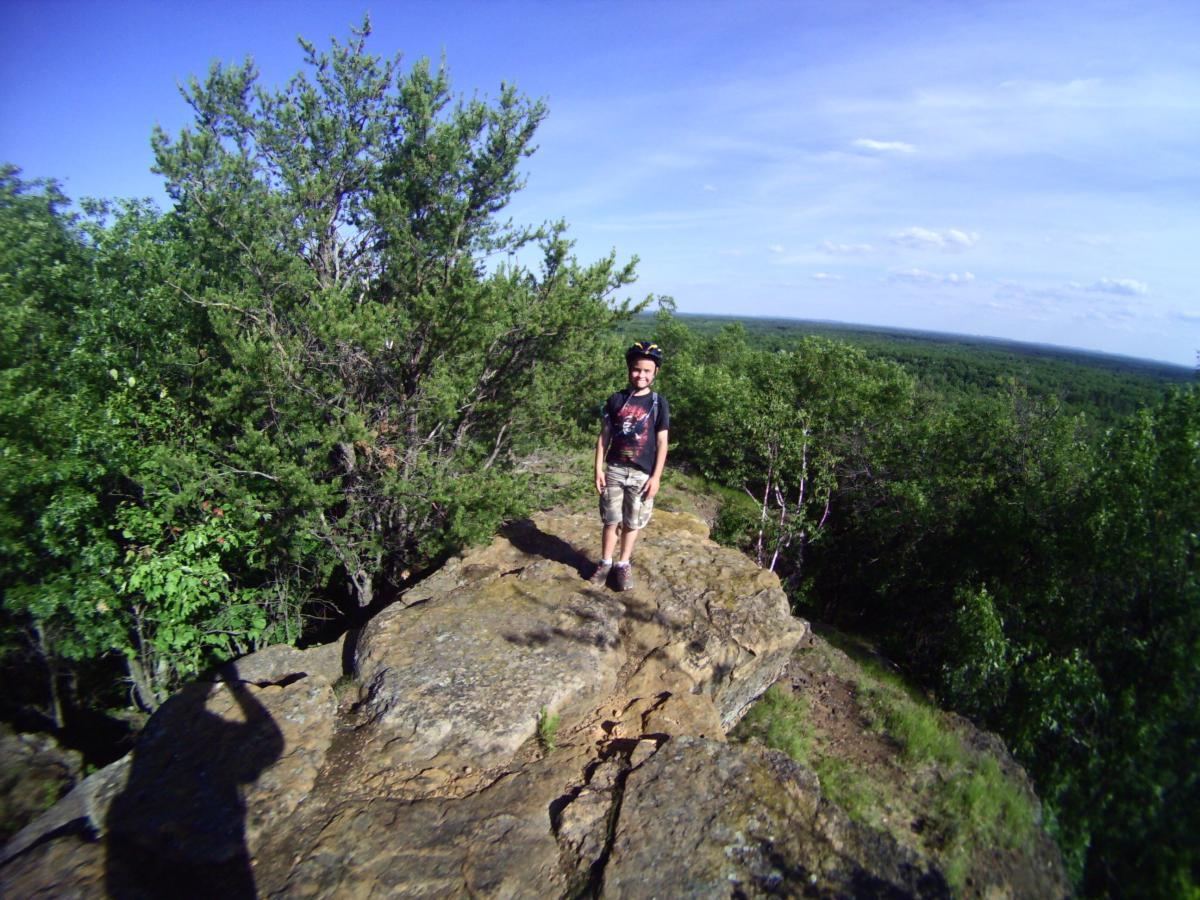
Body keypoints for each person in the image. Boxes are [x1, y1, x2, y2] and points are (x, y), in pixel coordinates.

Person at [590, 340, 670, 591]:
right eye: (637, 369)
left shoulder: (659, 404)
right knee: (611, 518)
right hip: (614, 468)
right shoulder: (615, 400)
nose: (641, 375)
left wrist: (656, 478)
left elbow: (662, 442)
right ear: (629, 369)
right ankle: (605, 562)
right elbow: (604, 436)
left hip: (641, 473)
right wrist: (598, 469)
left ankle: (623, 564)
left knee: (632, 521)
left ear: (655, 372)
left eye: (647, 370)